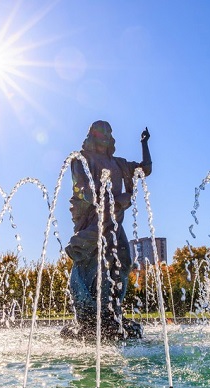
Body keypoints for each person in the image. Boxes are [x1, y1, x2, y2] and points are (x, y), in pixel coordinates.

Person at [63, 121, 151, 340]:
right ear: (92, 136)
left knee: (124, 260)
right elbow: (82, 190)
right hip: (92, 221)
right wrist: (114, 200)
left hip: (113, 222)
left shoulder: (119, 163)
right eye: (100, 132)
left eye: (107, 133)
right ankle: (88, 313)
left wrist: (144, 144)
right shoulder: (81, 160)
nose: (104, 136)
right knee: (89, 263)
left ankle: (112, 309)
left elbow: (145, 169)